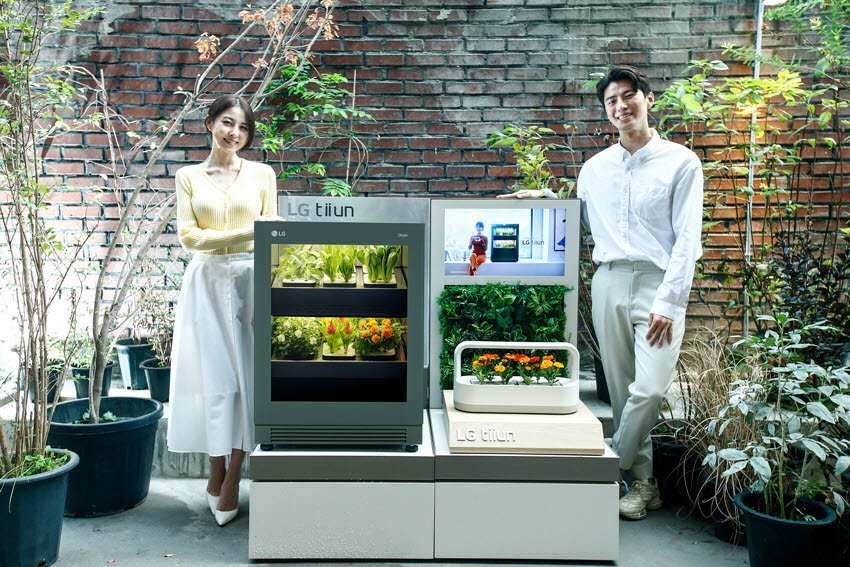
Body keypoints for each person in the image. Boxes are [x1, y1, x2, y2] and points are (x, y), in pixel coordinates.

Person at [501, 66, 703, 521]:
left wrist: (670, 304)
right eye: (612, 101)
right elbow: (581, 219)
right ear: (606, 112)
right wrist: (542, 198)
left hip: (657, 284)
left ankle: (605, 468)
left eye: (629, 96)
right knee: (623, 391)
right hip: (608, 281)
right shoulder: (595, 169)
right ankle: (645, 484)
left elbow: (688, 240)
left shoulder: (681, 162)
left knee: (650, 389)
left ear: (649, 99)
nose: (621, 106)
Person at [167, 95, 279, 526]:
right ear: (210, 123)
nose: (235, 133)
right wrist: (249, 231)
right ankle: (215, 466)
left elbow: (273, 231)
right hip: (208, 282)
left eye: (244, 128)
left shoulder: (263, 174)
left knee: (249, 378)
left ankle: (233, 474)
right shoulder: (189, 176)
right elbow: (190, 238)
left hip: (252, 280)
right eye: (228, 123)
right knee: (215, 378)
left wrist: (247, 239)